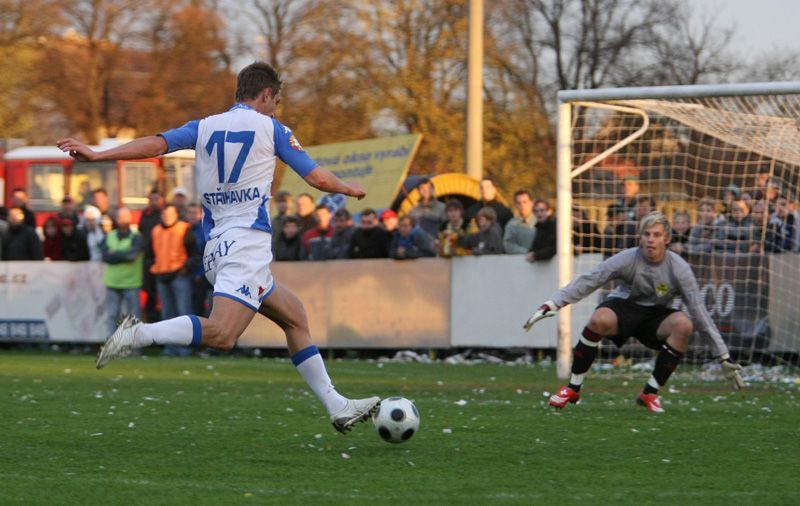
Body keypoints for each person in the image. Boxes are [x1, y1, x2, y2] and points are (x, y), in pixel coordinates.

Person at [56, 61, 380, 433]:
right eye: (275, 101)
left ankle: (337, 405)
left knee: (294, 317)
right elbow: (316, 177)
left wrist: (99, 155)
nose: (275, 108)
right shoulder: (272, 128)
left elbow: (157, 144)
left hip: (217, 246)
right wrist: (349, 188)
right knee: (223, 335)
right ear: (265, 95)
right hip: (246, 244)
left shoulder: (204, 126)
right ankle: (139, 333)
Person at [523, 212, 744, 413]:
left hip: (657, 315)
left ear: (667, 239)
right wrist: (553, 304)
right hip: (625, 307)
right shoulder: (628, 258)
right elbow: (591, 279)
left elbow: (699, 311)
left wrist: (722, 356)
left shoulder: (679, 268)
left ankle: (650, 393)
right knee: (598, 319)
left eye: (656, 235)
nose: (650, 239)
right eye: (646, 234)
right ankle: (573, 388)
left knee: (684, 324)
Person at [149, 204, 200, 352]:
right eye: (165, 214)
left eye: (170, 214)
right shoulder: (156, 230)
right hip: (162, 275)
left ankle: (184, 348)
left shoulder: (184, 229)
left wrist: (186, 268)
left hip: (179, 275)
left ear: (176, 215)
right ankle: (170, 347)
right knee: (167, 314)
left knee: (183, 313)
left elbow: (194, 253)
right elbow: (150, 253)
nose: (167, 217)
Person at [101, 207, 143, 334]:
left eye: (125, 217)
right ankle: (112, 348)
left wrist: (114, 253)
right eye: (120, 217)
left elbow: (132, 257)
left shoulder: (137, 237)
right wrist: (123, 254)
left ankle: (134, 347)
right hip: (113, 283)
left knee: (133, 318)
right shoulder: (109, 236)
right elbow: (105, 257)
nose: (123, 220)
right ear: (116, 219)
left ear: (130, 218)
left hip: (131, 283)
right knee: (112, 316)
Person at [139, 190, 164, 322]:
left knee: (160, 293)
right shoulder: (145, 214)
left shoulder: (165, 215)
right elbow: (141, 232)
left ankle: (159, 320)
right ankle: (150, 319)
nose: (154, 202)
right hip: (148, 259)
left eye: (156, 199)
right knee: (148, 291)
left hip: (161, 259)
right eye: (151, 199)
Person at [187, 203, 212, 316]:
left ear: (200, 214)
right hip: (187, 273)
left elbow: (206, 254)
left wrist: (200, 273)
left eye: (194, 213)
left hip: (201, 275)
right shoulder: (185, 228)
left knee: (199, 305)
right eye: (190, 213)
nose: (192, 216)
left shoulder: (203, 230)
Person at [503, 189, 537, 254]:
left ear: (531, 203)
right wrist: (526, 252)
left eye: (525, 202)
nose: (522, 205)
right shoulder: (511, 224)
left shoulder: (540, 222)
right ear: (516, 205)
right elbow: (508, 244)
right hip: (518, 261)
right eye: (519, 203)